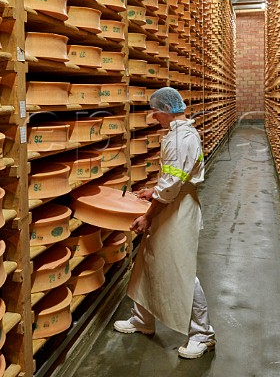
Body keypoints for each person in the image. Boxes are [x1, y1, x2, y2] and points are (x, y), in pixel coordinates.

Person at [114, 87, 216, 359]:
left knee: (181, 269)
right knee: (148, 260)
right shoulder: (176, 134)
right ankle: (143, 320)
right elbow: (171, 179)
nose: (153, 117)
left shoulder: (181, 139)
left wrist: (148, 215)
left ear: (167, 111)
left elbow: (172, 186)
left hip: (178, 210)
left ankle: (202, 334)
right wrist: (153, 191)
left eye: (155, 112)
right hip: (172, 203)